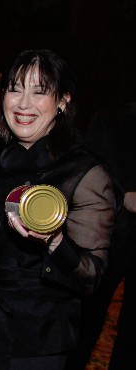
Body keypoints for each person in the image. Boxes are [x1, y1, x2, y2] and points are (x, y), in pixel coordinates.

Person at [0, 50, 117, 370]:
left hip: (35, 339)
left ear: (62, 101)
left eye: (39, 91)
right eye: (15, 88)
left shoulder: (84, 174)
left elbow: (92, 278)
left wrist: (54, 241)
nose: (23, 102)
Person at [67, 102, 135, 370]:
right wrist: (123, 195)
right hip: (107, 237)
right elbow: (85, 171)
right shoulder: (110, 119)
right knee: (85, 323)